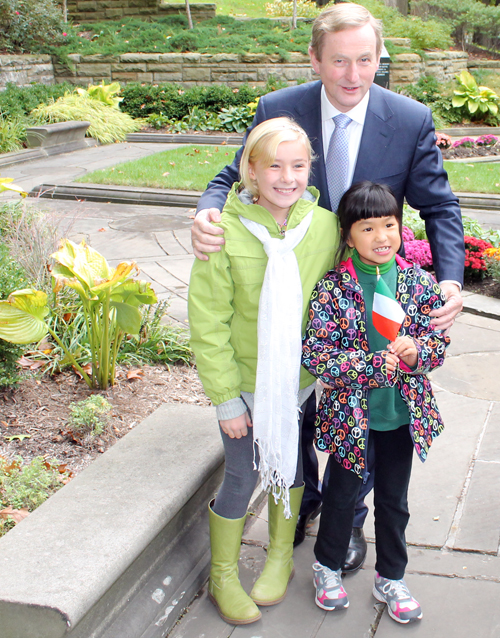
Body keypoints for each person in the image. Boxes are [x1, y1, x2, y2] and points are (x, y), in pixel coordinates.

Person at [190, 3, 464, 569]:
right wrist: (208, 211)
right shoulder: (279, 109)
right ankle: (306, 505)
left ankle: (351, 518)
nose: (353, 75)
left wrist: (451, 280)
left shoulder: (409, 118)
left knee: (360, 410)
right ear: (315, 58)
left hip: (366, 296)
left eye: (366, 60)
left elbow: (439, 205)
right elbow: (231, 173)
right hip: (294, 289)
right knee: (303, 407)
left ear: (377, 59)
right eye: (339, 61)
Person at [188, 117, 339, 625]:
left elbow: (339, 292)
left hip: (297, 385)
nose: (287, 176)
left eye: (298, 165)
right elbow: (209, 320)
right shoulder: (223, 232)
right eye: (273, 165)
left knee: (293, 466)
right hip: (245, 385)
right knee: (241, 474)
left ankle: (278, 557)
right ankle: (224, 576)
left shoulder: (322, 226)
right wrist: (227, 398)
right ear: (250, 170)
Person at [301, 180, 450, 624]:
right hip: (352, 417)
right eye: (367, 228)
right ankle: (326, 568)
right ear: (348, 235)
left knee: (393, 499)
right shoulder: (333, 288)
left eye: (390, 224)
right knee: (342, 494)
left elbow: (437, 345)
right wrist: (373, 365)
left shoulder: (417, 283)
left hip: (400, 415)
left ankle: (392, 576)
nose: (382, 236)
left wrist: (417, 353)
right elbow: (318, 354)